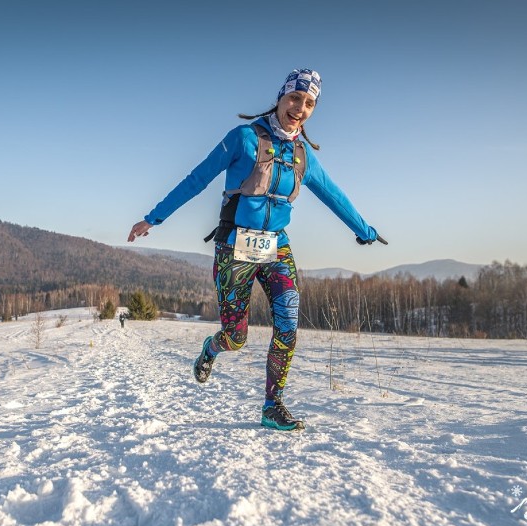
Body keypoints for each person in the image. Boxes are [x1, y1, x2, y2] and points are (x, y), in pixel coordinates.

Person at [127, 68, 386, 431]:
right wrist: (153, 218)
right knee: (236, 336)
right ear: (281, 98)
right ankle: (211, 349)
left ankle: (272, 405)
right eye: (295, 98)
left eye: (309, 103)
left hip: (277, 248)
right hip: (235, 248)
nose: (300, 108)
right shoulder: (243, 138)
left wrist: (364, 230)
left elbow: (333, 194)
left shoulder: (301, 155)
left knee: (288, 325)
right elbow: (196, 179)